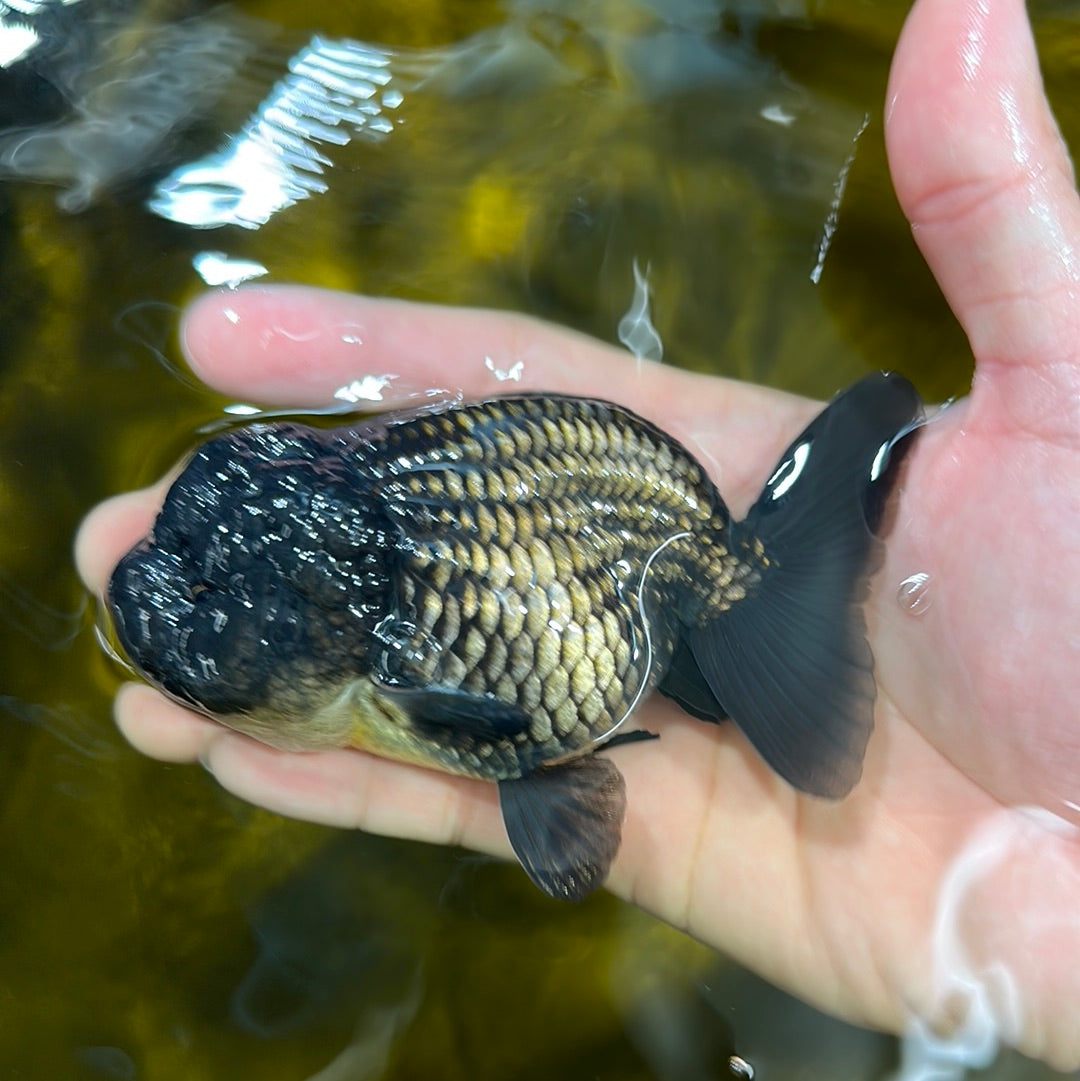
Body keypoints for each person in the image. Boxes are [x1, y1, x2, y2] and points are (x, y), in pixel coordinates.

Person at [76, 0, 1080, 1068]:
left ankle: (751, 617)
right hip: (603, 502)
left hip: (628, 528)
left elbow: (497, 724)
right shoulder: (350, 595)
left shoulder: (402, 659)